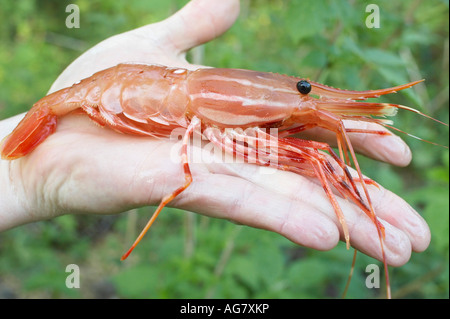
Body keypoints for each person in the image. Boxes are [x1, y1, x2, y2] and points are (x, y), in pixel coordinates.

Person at [0, 0, 430, 266]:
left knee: (316, 147)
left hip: (151, 90)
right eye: (303, 89)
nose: (305, 95)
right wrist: (13, 182)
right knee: (317, 156)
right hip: (114, 90)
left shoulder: (266, 95)